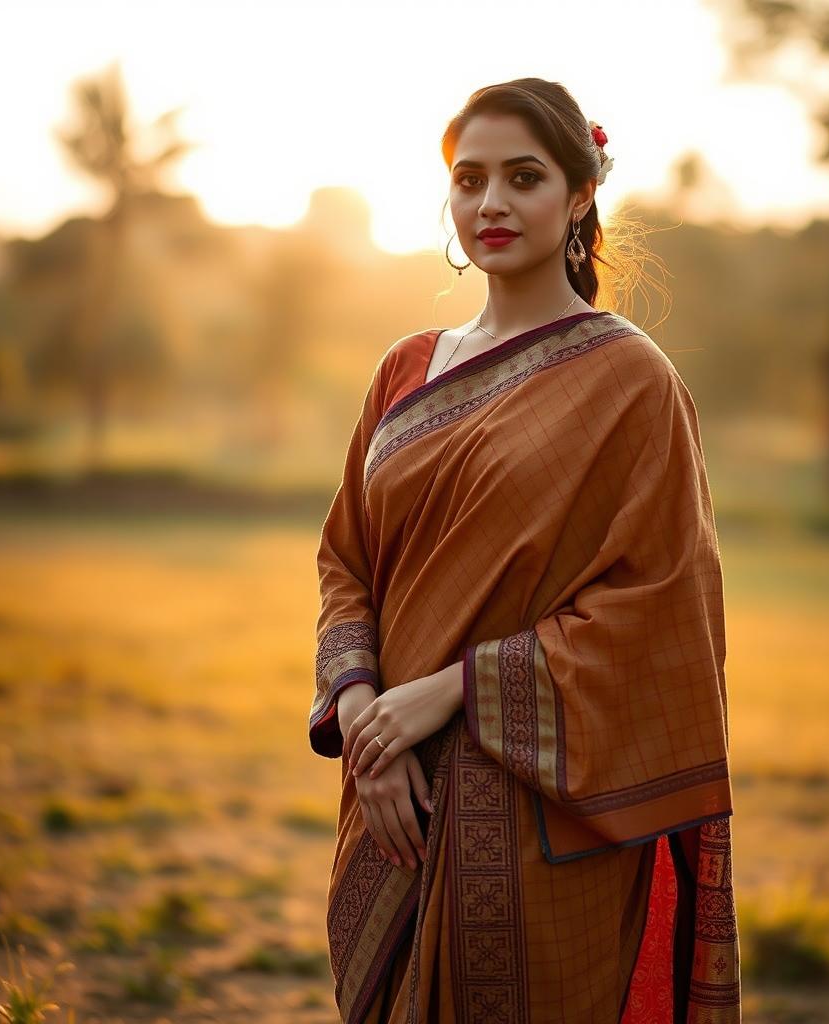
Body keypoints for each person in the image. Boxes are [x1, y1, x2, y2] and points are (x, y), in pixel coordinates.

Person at [308, 77, 741, 1023]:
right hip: (389, 794)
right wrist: (366, 714)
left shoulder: (629, 381)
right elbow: (348, 559)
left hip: (536, 814)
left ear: (580, 195)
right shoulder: (407, 368)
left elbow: (658, 608)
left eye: (524, 177)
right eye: (469, 180)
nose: (490, 204)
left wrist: (450, 689)